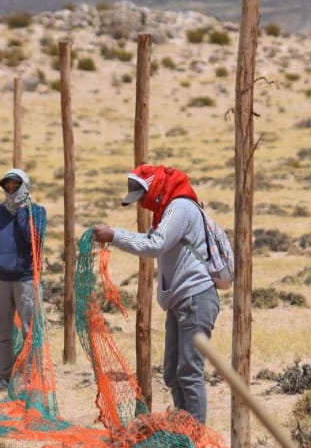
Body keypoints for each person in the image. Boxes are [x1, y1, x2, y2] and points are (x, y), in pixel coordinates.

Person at [92, 164, 221, 424]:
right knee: (173, 373)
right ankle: (184, 427)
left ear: (154, 189)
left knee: (189, 371)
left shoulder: (180, 208)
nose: (142, 204)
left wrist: (115, 235)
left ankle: (195, 435)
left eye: (142, 197)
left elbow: (155, 244)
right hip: (180, 300)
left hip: (195, 298)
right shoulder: (165, 212)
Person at [0, 168, 47, 394]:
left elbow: (33, 241)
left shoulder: (37, 212)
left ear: (25, 186)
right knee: (3, 332)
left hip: (26, 279)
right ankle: (3, 378)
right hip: (0, 280)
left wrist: (22, 213)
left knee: (29, 331)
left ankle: (31, 379)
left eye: (15, 185)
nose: (11, 189)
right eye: (7, 186)